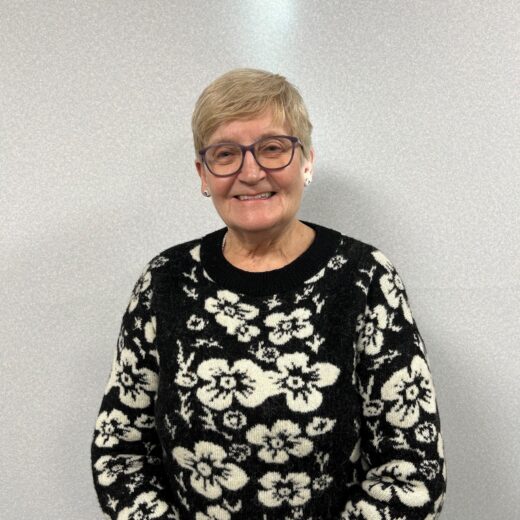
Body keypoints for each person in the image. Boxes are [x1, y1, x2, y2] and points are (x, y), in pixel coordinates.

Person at [91, 68, 446, 520]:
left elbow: (414, 469)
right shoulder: (164, 282)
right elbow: (118, 454)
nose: (251, 171)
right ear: (203, 174)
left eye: (272, 148)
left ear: (307, 161)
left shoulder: (365, 280)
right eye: (225, 154)